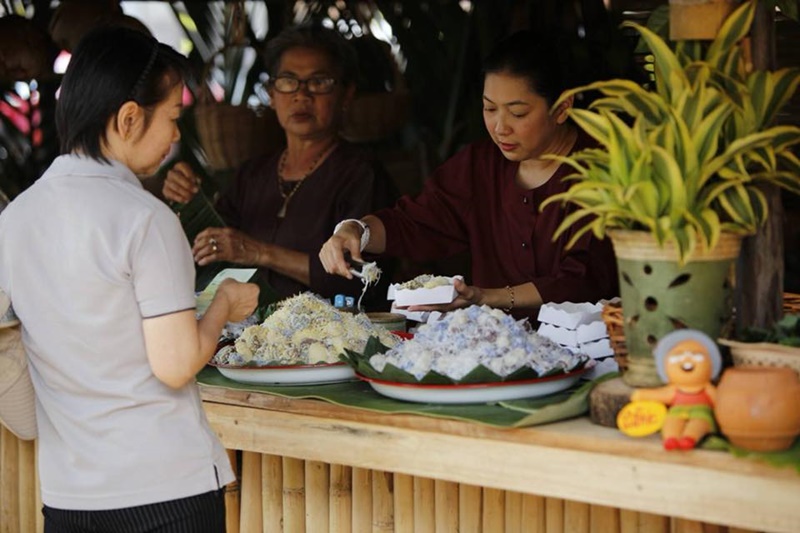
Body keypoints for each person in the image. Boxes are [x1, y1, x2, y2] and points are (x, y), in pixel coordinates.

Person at [0, 26, 259, 532]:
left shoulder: (15, 220)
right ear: (128, 118)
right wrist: (225, 301)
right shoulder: (145, 218)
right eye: (173, 118)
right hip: (166, 491)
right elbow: (177, 363)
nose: (177, 137)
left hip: (69, 496)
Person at [319, 31, 619, 321]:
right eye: (490, 109)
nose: (500, 127)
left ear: (562, 108)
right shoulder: (480, 164)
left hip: (593, 353)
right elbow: (418, 221)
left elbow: (585, 279)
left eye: (517, 113)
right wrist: (355, 230)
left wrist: (486, 297)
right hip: (499, 354)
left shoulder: (603, 167)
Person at [162, 24, 396, 304]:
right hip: (250, 337)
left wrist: (260, 252)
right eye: (288, 81)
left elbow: (363, 280)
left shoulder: (362, 175)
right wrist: (190, 201)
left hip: (331, 339)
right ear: (271, 94)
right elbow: (213, 250)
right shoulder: (253, 174)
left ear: (346, 95)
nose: (301, 95)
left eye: (319, 82)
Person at [631, 330, 721, 451]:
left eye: (695, 354)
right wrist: (642, 395)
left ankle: (690, 438)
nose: (687, 358)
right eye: (678, 354)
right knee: (671, 422)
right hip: (676, 411)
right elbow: (660, 394)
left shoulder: (707, 388)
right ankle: (670, 438)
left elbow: (721, 402)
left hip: (702, 411)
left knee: (699, 424)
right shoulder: (673, 389)